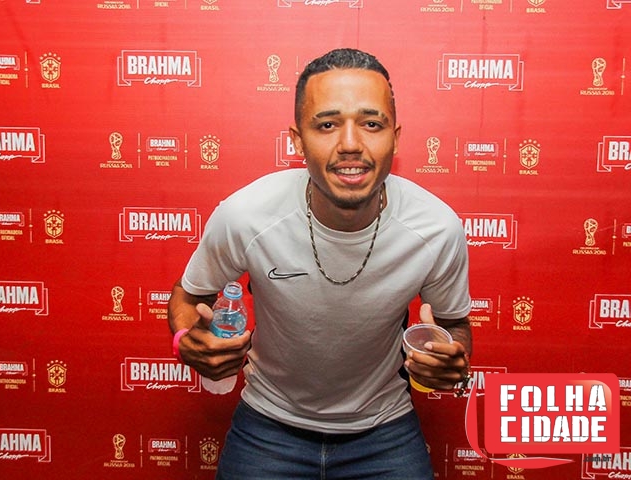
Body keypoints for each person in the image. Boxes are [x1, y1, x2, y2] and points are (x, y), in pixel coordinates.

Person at [168, 48, 472, 479]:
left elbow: (455, 325)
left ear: (396, 138)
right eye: (327, 125)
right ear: (297, 140)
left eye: (371, 124)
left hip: (385, 430)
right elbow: (188, 296)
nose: (350, 144)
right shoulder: (246, 215)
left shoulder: (436, 228)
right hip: (267, 426)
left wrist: (451, 359)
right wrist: (186, 339)